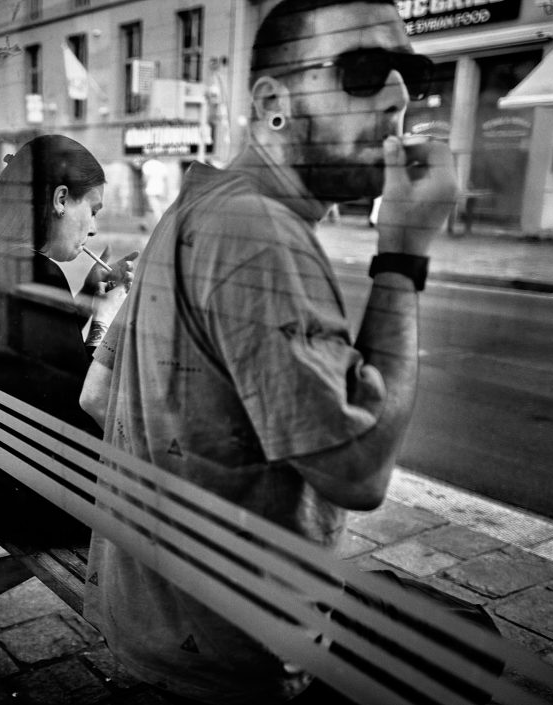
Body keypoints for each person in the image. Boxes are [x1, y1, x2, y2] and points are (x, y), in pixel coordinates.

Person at [79, 1, 474, 702]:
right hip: (237, 655)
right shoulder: (259, 231)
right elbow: (358, 472)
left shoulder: (193, 205)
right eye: (361, 71)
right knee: (467, 645)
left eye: (410, 72)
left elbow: (99, 392)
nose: (398, 97)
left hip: (148, 618)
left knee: (456, 624)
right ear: (272, 104)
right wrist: (404, 251)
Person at [0, 134, 137, 547]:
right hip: (17, 506)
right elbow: (84, 405)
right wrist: (111, 319)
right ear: (59, 199)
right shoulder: (30, 272)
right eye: (92, 210)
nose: (92, 228)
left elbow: (33, 376)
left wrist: (92, 301)